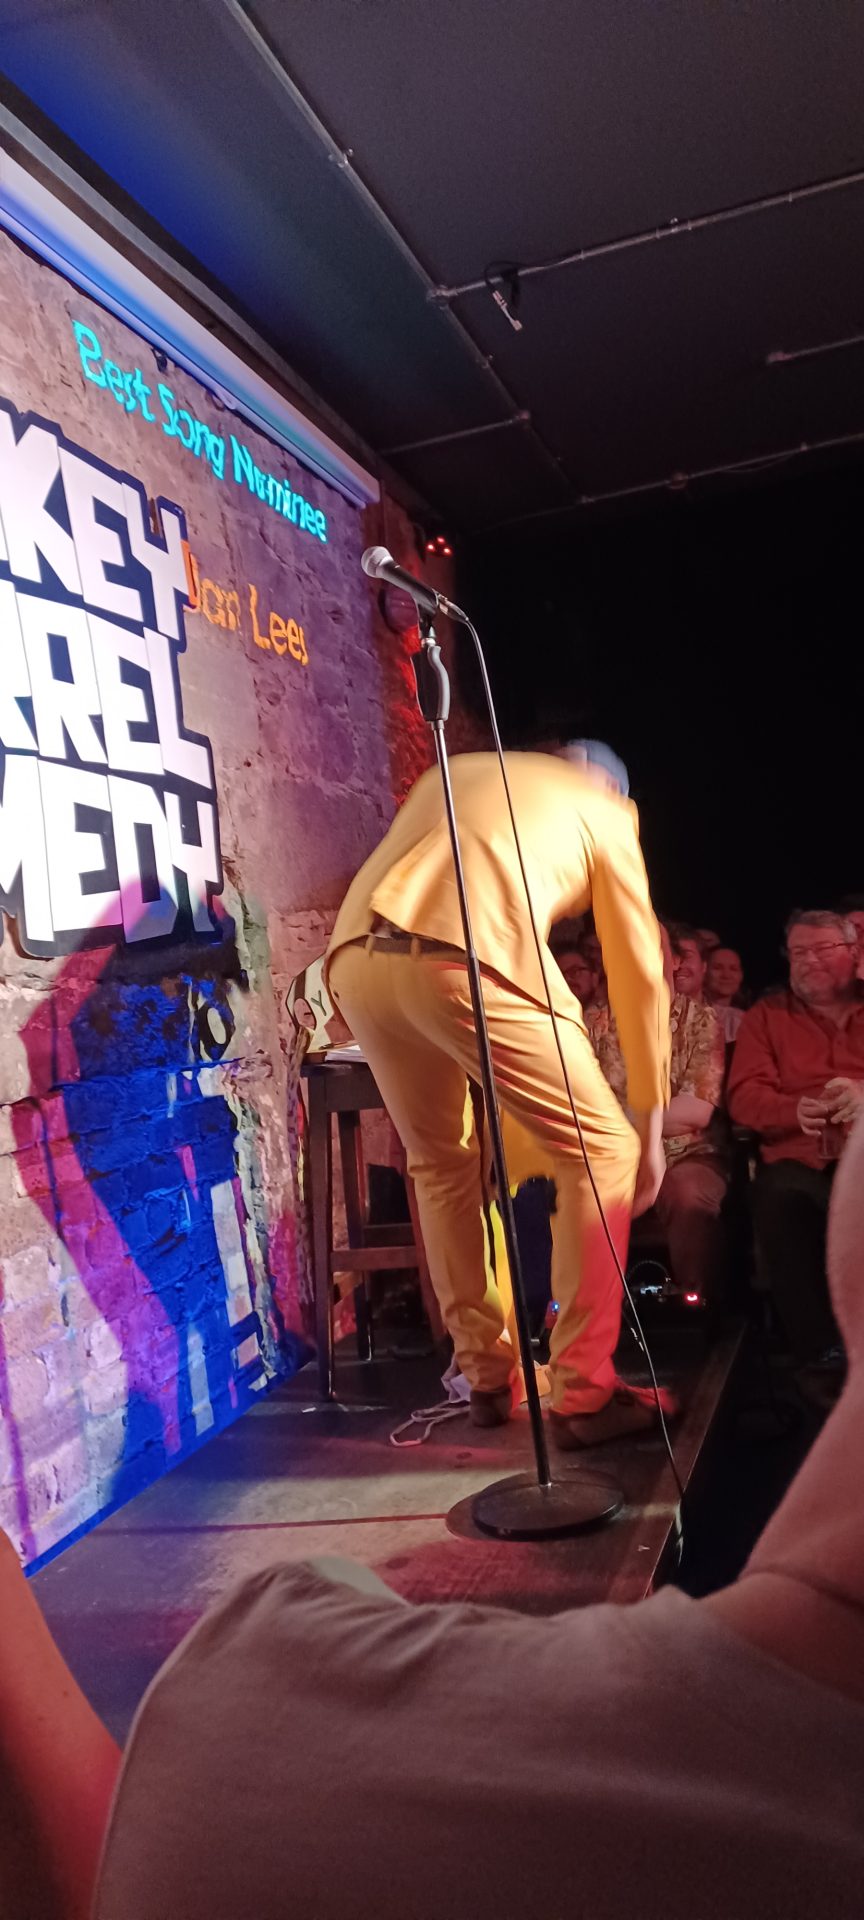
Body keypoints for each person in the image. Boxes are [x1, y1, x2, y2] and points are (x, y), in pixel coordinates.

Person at [6, 1111, 864, 1918]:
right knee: (496, 1161)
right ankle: (518, 1371)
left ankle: (530, 1371)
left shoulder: (263, 1708)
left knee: (545, 1156)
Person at [326, 741, 672, 1446]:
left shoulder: (455, 770)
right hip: (466, 959)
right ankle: (584, 1392)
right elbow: (638, 970)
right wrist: (651, 1126)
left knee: (440, 1165)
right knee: (606, 1152)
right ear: (610, 785)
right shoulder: (606, 810)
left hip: (357, 961)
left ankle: (485, 1375)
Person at [728, 909, 864, 1390]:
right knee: (781, 1197)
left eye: (822, 949)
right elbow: (744, 1095)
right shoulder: (767, 1017)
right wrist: (792, 1109)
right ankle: (820, 1354)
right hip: (800, 1154)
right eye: (799, 952)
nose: (808, 960)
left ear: (853, 952)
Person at [590, 925, 729, 1304]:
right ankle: (593, 1312)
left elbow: (695, 1111)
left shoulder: (701, 1021)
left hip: (688, 1154)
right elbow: (580, 1106)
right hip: (610, 1157)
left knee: (687, 1195)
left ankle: (695, 1310)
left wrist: (616, 1118)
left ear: (676, 960)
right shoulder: (592, 1021)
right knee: (580, 1194)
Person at [705, 944, 746, 1043]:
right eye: (717, 968)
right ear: (703, 971)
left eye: (733, 969)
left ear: (741, 975)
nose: (726, 975)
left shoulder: (747, 1020)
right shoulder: (690, 1015)